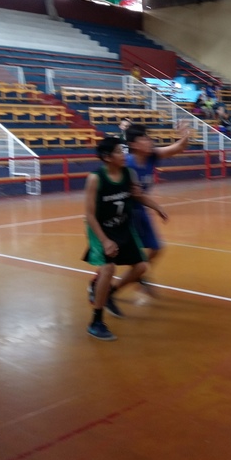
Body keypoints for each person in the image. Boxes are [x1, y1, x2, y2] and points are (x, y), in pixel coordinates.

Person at [91, 120, 191, 305]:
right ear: (134, 144)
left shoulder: (152, 156)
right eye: (144, 138)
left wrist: (185, 136)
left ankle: (131, 279)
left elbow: (177, 148)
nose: (149, 140)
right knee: (116, 255)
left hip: (140, 209)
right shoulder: (126, 164)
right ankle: (98, 284)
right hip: (124, 212)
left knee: (156, 248)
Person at [83, 136, 168, 341]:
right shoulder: (95, 179)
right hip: (101, 229)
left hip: (122, 226)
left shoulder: (128, 174)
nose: (123, 155)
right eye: (119, 152)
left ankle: (108, 293)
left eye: (123, 151)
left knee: (141, 267)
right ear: (107, 157)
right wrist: (105, 241)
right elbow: (90, 215)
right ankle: (96, 321)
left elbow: (138, 196)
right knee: (108, 268)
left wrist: (157, 208)